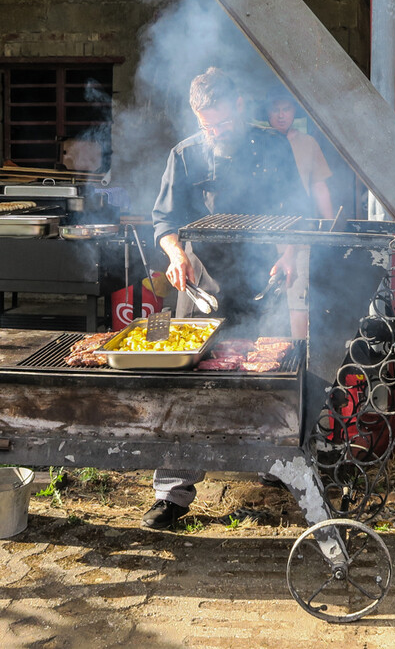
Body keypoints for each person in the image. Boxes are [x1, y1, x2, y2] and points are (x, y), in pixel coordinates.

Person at [143, 67, 309, 530]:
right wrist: (176, 255)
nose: (215, 132)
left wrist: (291, 254)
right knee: (187, 381)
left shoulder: (272, 146)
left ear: (239, 105)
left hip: (260, 277)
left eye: (222, 122)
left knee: (266, 372)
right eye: (206, 125)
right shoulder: (186, 154)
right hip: (201, 283)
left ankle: (269, 463)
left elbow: (294, 211)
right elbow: (164, 221)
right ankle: (172, 492)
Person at [265, 89, 335, 338]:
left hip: (299, 230)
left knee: (297, 298)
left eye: (286, 109)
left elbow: (318, 185)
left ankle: (298, 355)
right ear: (267, 112)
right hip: (262, 232)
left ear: (294, 112)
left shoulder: (308, 143)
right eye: (276, 109)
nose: (281, 115)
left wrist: (331, 227)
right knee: (265, 300)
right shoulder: (257, 143)